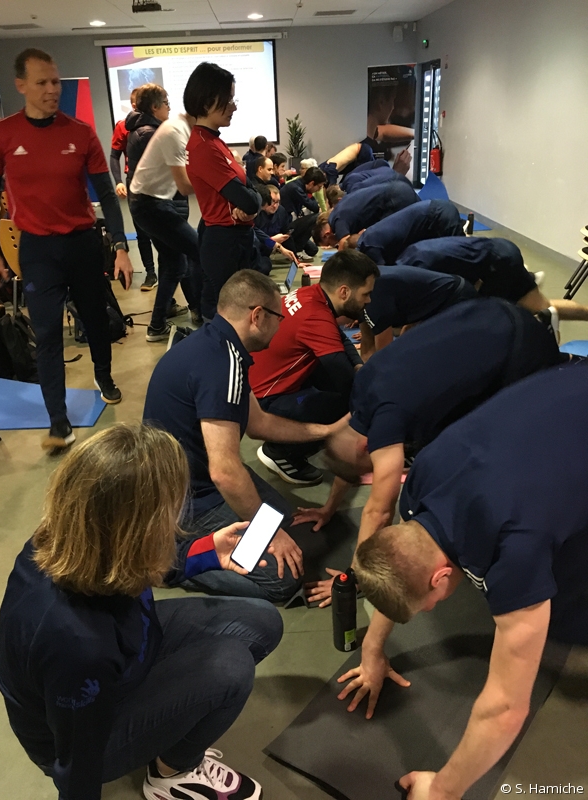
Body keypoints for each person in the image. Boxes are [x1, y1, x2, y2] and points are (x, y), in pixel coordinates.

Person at [0, 422, 282, 800]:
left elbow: (144, 564)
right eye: (170, 509)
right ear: (136, 530)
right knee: (231, 667)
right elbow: (76, 760)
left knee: (262, 621)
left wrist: (209, 552)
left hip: (129, 649)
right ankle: (172, 774)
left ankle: (164, 720)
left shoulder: (75, 533)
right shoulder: (78, 644)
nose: (178, 516)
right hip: (84, 723)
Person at [346, 361, 588, 799]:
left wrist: (440, 790)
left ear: (440, 577)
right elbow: (395, 564)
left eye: (429, 603)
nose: (435, 609)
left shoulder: (518, 550)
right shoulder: (422, 478)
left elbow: (505, 708)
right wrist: (372, 648)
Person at [298, 298, 567, 605]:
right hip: (488, 310)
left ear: (367, 447)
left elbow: (380, 509)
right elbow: (344, 453)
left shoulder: (386, 423)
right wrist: (329, 507)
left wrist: (356, 576)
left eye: (370, 463)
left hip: (518, 344)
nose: (374, 466)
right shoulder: (362, 393)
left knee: (525, 424)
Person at [143, 270, 345, 603]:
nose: (281, 327)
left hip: (191, 479)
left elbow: (259, 423)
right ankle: (170, 565)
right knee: (283, 581)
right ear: (257, 316)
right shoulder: (221, 363)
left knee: (284, 523)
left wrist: (327, 430)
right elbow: (224, 471)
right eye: (278, 317)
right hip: (187, 499)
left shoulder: (219, 346)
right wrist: (273, 537)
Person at [0, 48, 132, 450]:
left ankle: (104, 377)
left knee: (95, 320)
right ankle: (59, 423)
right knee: (48, 335)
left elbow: (105, 191)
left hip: (83, 244)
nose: (52, 90)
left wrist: (120, 247)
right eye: (42, 83)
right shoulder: (0, 135)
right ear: (21, 86)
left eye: (55, 81)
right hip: (38, 250)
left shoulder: (80, 132)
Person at [250, 251, 379, 485]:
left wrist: (359, 364)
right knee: (348, 405)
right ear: (344, 291)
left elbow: (339, 339)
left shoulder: (310, 294)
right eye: (366, 294)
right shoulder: (316, 317)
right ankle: (280, 451)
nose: (368, 301)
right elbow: (347, 381)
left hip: (262, 383)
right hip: (268, 400)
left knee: (341, 378)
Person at [184, 63, 262, 320]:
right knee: (228, 317)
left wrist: (254, 200)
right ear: (207, 102)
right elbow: (248, 200)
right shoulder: (204, 147)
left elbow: (253, 192)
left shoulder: (215, 141)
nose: (234, 106)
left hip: (234, 239)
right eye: (228, 100)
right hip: (223, 242)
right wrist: (253, 201)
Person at [129, 106, 204, 340]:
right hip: (151, 205)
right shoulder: (175, 132)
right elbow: (184, 186)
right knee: (200, 250)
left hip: (155, 203)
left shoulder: (181, 130)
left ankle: (157, 326)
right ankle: (208, 314)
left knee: (174, 265)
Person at [397, 236, 588, 322]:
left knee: (486, 320)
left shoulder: (418, 273)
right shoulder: (407, 260)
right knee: (543, 307)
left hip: (497, 266)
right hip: (500, 252)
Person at [359, 265, 477, 358]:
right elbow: (367, 346)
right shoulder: (365, 285)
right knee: (407, 343)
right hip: (442, 296)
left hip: (457, 299)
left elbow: (385, 357)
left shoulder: (373, 295)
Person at [110, 87, 157, 291]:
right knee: (142, 231)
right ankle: (150, 273)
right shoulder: (123, 127)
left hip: (158, 184)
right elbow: (114, 156)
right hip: (134, 183)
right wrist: (119, 181)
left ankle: (172, 272)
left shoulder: (160, 125)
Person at [344, 199, 464, 265]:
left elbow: (383, 274)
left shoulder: (369, 245)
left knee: (461, 258)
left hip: (437, 216)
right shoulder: (370, 234)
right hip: (437, 211)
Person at [313, 180, 419, 249]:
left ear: (326, 234)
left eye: (328, 244)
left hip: (395, 200)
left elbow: (344, 246)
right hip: (399, 189)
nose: (332, 246)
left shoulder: (337, 220)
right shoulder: (339, 210)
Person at [255, 184, 318, 259]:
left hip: (279, 240)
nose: (275, 206)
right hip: (263, 245)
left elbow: (286, 234)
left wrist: (295, 259)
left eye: (277, 202)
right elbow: (256, 242)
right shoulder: (256, 215)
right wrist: (272, 241)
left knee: (313, 249)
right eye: (272, 202)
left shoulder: (281, 211)